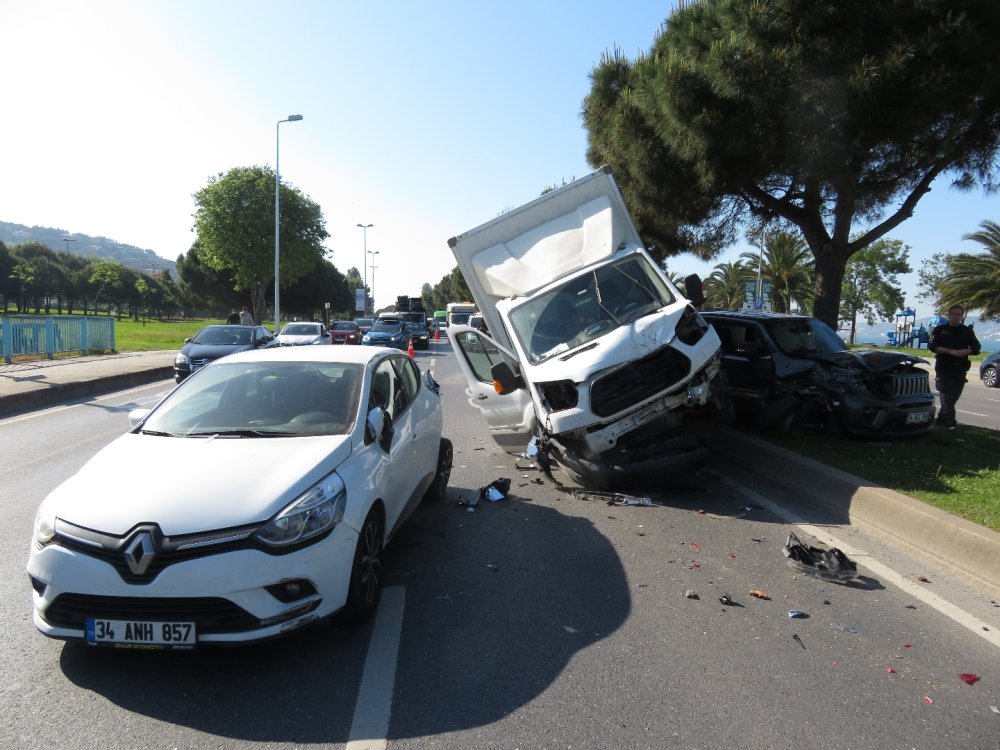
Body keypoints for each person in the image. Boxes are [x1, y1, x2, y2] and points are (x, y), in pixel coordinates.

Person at [928, 304, 980, 429]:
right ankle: (951, 422)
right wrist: (950, 351)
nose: (956, 316)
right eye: (953, 314)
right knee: (945, 394)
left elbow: (977, 347)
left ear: (962, 316)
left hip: (960, 367)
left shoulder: (966, 331)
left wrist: (966, 351)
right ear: (948, 315)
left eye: (959, 314)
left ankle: (941, 420)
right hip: (944, 366)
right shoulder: (940, 330)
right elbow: (932, 346)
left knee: (954, 396)